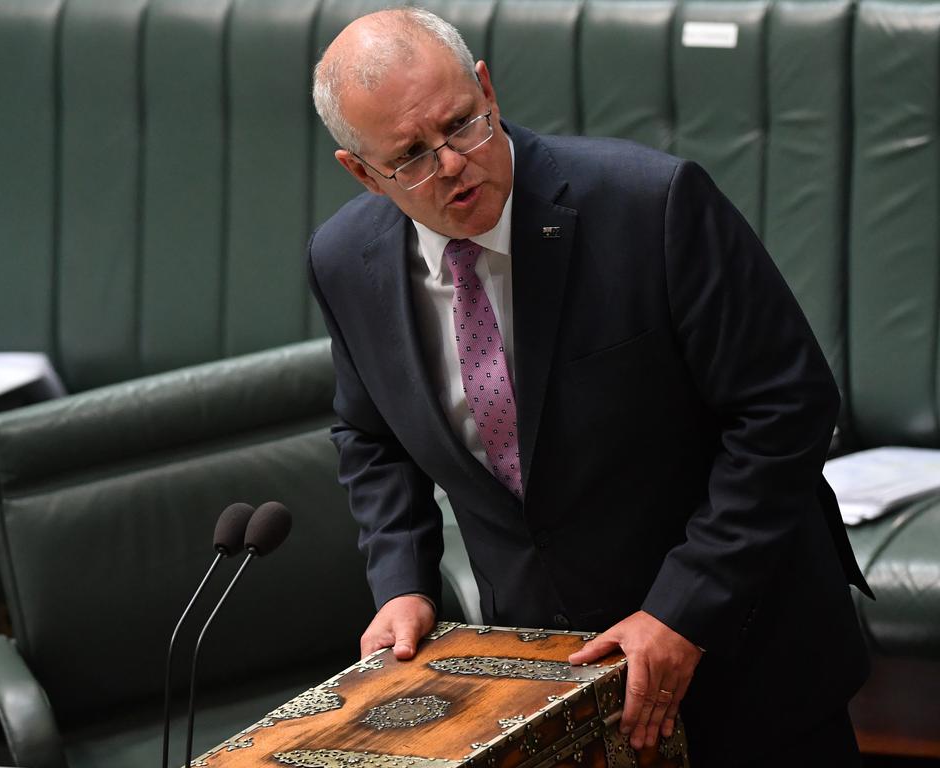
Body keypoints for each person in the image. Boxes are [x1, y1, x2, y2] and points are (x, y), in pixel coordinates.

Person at [307, 8, 871, 766]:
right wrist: (403, 581)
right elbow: (370, 436)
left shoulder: (651, 204)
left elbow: (787, 407)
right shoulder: (346, 261)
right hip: (550, 683)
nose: (450, 164)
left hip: (748, 651)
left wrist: (683, 610)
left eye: (461, 126)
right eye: (409, 156)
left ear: (487, 88)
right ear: (360, 172)